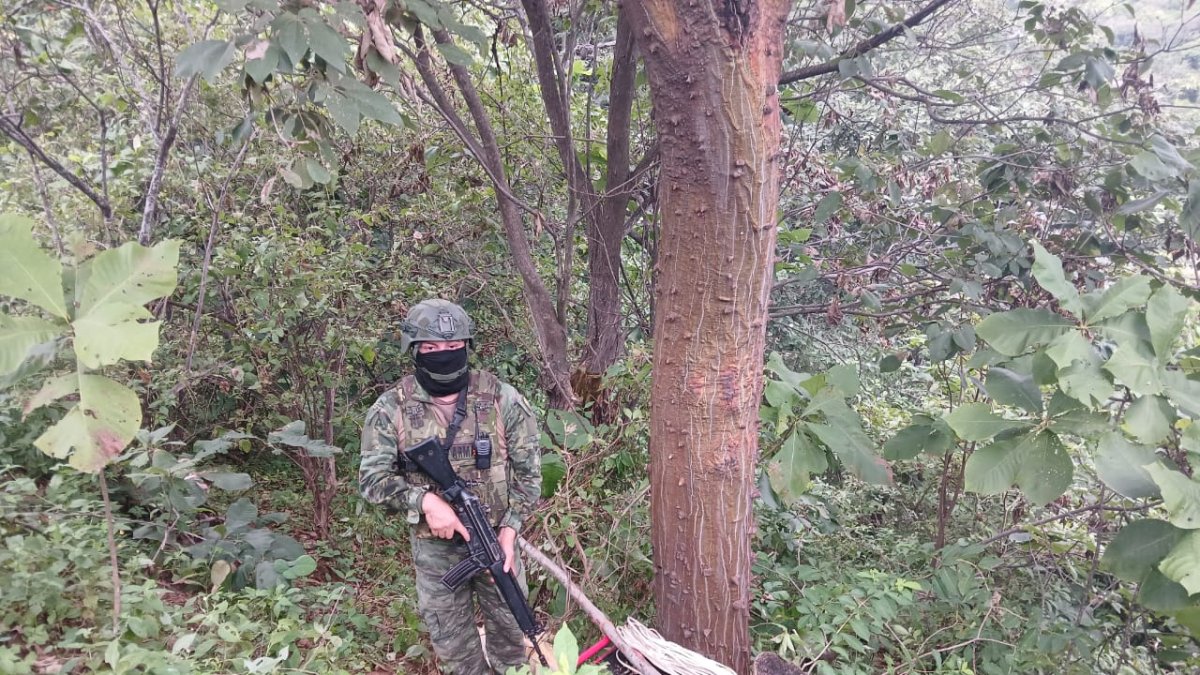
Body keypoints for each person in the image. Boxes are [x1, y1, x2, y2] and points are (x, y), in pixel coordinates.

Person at [358, 299, 542, 675]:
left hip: (496, 545)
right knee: (457, 654)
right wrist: (424, 501)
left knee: (514, 642)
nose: (443, 354)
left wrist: (509, 530)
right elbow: (372, 480)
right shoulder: (390, 408)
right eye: (431, 347)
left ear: (467, 347)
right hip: (436, 555)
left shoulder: (502, 399)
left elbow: (529, 476)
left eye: (453, 346)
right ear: (415, 350)